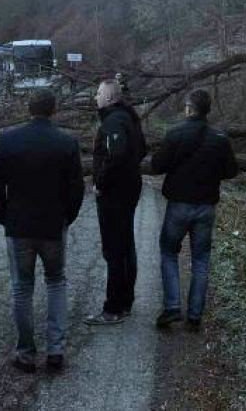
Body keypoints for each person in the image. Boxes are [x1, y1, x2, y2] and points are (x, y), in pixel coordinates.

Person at [0, 89, 84, 373]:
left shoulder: (9, 140)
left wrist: (4, 217)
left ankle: (26, 352)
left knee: (22, 288)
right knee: (56, 282)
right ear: (53, 110)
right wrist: (68, 217)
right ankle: (55, 350)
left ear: (29, 109)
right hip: (53, 226)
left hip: (19, 226)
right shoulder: (66, 142)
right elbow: (76, 188)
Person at [151, 89, 238, 330]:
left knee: (169, 253)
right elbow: (232, 171)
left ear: (189, 108)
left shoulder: (175, 134)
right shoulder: (220, 138)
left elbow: (157, 166)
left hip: (178, 205)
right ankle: (195, 316)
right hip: (206, 207)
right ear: (208, 110)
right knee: (201, 259)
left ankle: (172, 307)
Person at [84, 78, 147, 325]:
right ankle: (126, 301)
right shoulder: (130, 118)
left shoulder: (113, 121)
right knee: (125, 245)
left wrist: (101, 181)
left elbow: (117, 154)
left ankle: (113, 308)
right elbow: (142, 149)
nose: (95, 97)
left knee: (114, 250)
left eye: (99, 93)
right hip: (129, 188)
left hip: (116, 194)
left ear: (110, 97)